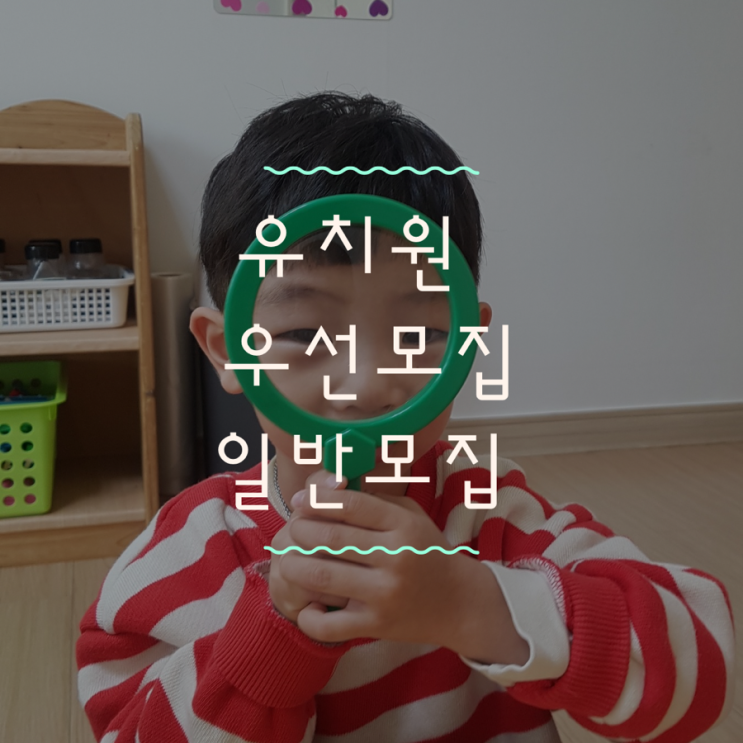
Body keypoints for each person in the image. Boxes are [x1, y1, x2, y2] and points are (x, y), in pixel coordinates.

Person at [76, 92, 735, 743]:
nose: (366, 387)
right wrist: (268, 642)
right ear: (227, 351)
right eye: (304, 333)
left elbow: (698, 669)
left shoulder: (493, 514)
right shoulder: (184, 555)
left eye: (419, 335)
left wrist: (473, 604)